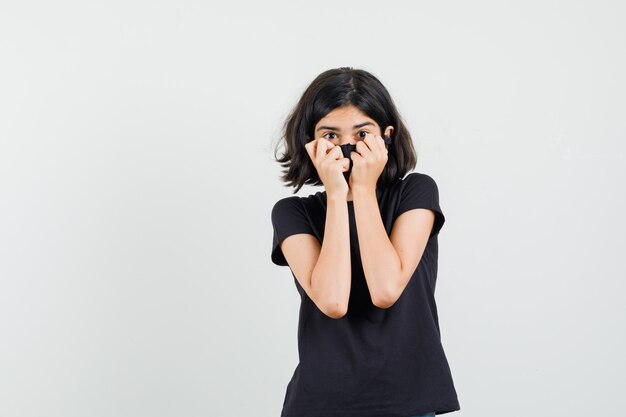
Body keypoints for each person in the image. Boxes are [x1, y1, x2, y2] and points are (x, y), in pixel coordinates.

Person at [270, 67, 460, 417]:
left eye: (362, 133)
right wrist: (338, 196)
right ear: (310, 142)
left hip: (408, 402)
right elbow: (333, 301)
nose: (345, 145)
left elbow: (386, 289)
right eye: (330, 134)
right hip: (320, 404)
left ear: (386, 136)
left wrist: (363, 189)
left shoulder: (416, 193)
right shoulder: (293, 213)